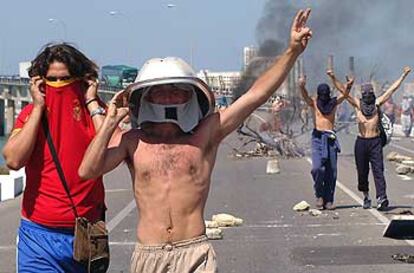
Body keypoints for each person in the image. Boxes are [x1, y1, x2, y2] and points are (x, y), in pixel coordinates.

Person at [78, 9, 313, 273]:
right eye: (159, 92)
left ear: (190, 95)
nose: (168, 98)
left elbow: (255, 95)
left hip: (194, 252)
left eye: (176, 91)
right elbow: (88, 170)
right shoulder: (133, 141)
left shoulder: (205, 134)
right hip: (148, 255)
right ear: (145, 98)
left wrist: (292, 51)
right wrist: (109, 120)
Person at [2, 43, 113, 272]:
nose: (59, 85)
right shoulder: (30, 115)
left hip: (86, 235)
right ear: (39, 82)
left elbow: (114, 147)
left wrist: (92, 102)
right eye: (52, 79)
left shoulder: (95, 112)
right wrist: (38, 108)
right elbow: (13, 160)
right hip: (38, 236)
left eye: (66, 78)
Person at [329, 66, 411, 210]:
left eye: (369, 93)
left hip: (375, 142)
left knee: (378, 170)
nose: (367, 95)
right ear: (362, 94)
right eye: (365, 93)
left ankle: (382, 197)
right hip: (361, 142)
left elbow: (391, 89)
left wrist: (403, 75)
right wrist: (332, 76)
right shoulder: (357, 105)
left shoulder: (377, 103)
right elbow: (343, 90)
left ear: (372, 94)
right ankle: (366, 196)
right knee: (362, 172)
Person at [298, 72, 354, 210]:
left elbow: (345, 96)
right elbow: (305, 97)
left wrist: (349, 86)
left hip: (330, 138)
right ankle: (319, 195)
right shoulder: (315, 103)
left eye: (325, 95)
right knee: (317, 168)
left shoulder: (333, 103)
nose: (324, 97)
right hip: (318, 138)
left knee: (332, 171)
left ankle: (329, 200)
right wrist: (301, 86)